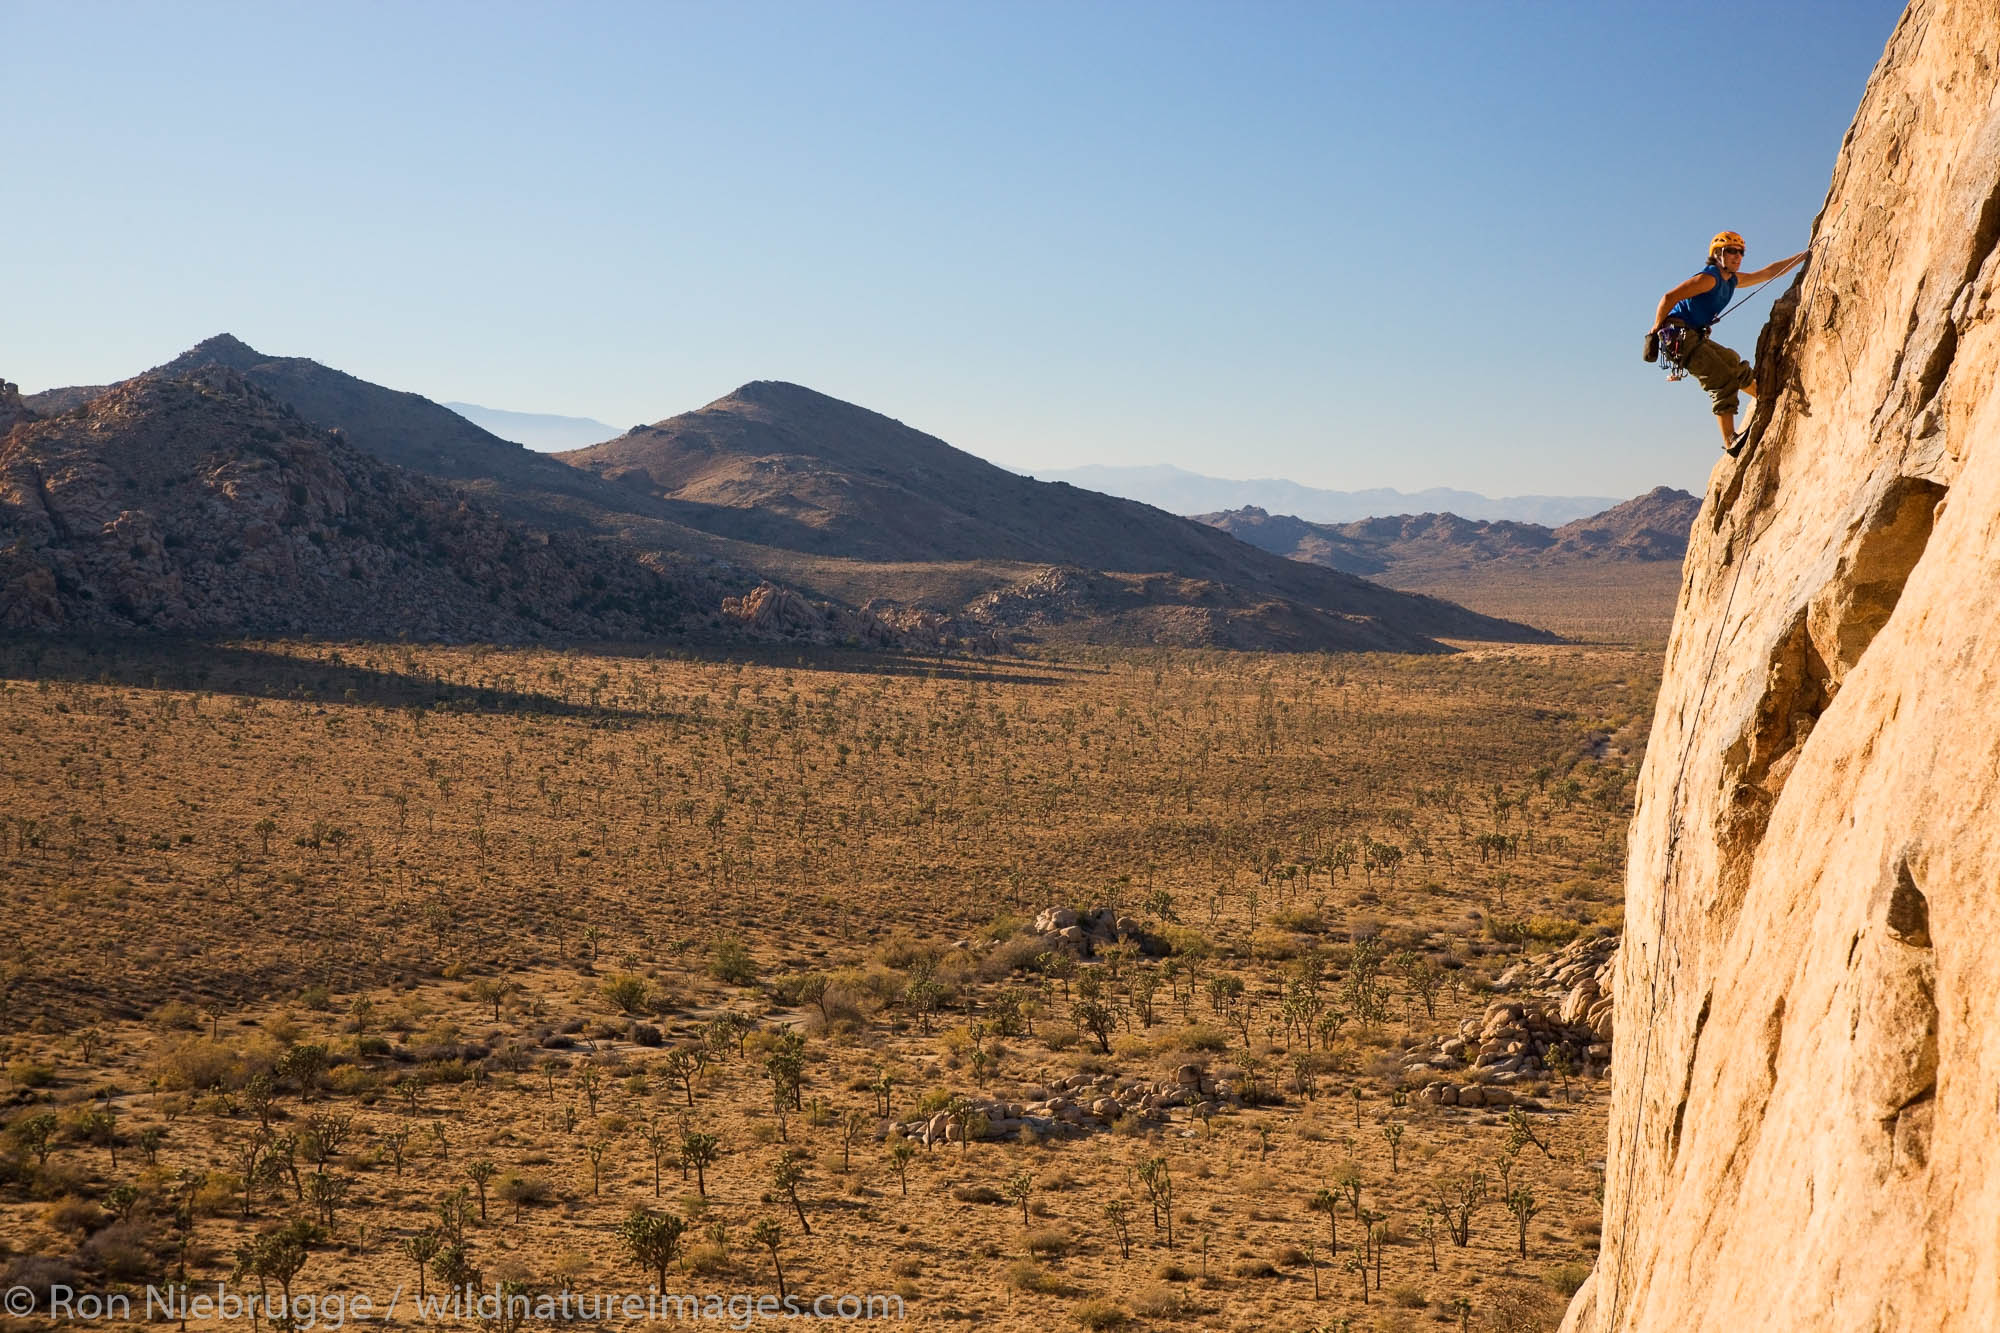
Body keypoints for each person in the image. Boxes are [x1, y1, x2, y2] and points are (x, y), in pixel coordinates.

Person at [1647, 231, 1807, 454]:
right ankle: (1730, 440)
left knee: (1732, 363)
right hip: (1678, 336)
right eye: (1731, 251)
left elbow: (1768, 272)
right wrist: (1655, 329)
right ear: (1718, 254)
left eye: (1741, 252)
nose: (1737, 256)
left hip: (1693, 334)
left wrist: (1803, 256)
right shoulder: (1709, 278)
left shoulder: (1732, 280)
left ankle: (1765, 397)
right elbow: (1668, 298)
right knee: (1722, 380)